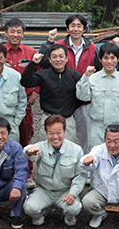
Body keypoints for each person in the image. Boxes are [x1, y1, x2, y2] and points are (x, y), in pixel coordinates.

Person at [0, 18, 38, 148]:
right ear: (5, 33)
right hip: (2, 103)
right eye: (12, 31)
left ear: (23, 34)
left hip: (24, 102)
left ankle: (25, 166)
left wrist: (36, 91)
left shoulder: (30, 52)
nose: (15, 35)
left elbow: (40, 71)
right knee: (0, 138)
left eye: (18, 32)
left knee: (25, 135)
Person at [41, 14, 97, 151]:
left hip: (84, 99)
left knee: (86, 136)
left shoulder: (92, 48)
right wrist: (49, 41)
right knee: (60, 135)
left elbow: (98, 71)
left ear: (84, 29)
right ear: (67, 28)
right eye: (73, 25)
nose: (76, 29)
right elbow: (43, 62)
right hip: (63, 98)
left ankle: (85, 166)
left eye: (79, 26)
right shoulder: (58, 46)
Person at [23, 115, 86, 227]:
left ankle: (69, 217)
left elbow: (80, 175)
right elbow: (28, 152)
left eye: (59, 132)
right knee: (29, 208)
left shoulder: (76, 150)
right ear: (46, 133)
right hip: (45, 190)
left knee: (75, 208)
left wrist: (73, 193)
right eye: (51, 133)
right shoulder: (41, 147)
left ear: (64, 132)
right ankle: (41, 213)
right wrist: (29, 151)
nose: (55, 137)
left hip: (65, 191)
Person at [76, 42, 119, 149]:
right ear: (100, 59)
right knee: (96, 159)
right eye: (106, 58)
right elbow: (82, 97)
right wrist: (85, 77)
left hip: (117, 128)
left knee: (115, 159)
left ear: (118, 59)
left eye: (113, 58)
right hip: (96, 128)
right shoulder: (92, 78)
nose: (109, 61)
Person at [20, 45, 83, 139]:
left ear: (66, 59)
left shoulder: (75, 76)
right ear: (49, 59)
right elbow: (26, 81)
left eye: (61, 56)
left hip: (67, 120)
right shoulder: (43, 75)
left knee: (69, 150)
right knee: (46, 150)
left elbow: (81, 97)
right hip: (48, 117)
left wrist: (70, 108)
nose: (58, 60)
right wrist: (33, 63)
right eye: (54, 57)